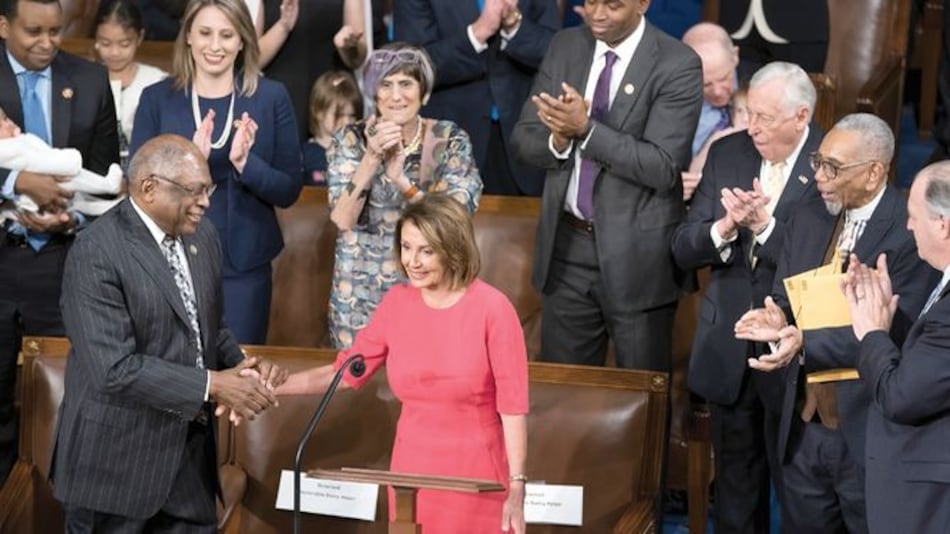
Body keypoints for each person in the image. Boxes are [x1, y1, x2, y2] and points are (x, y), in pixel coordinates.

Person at [52, 133, 286, 531]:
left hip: (190, 462)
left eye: (207, 189)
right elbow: (113, 369)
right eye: (194, 191)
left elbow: (206, 325)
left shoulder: (204, 236)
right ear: (148, 188)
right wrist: (214, 385)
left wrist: (242, 365)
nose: (206, 202)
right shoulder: (96, 251)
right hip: (114, 469)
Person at [734, 113, 937, 533]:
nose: (820, 177)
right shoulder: (810, 213)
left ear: (874, 173)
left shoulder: (910, 230)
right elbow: (786, 290)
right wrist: (778, 318)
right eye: (817, 162)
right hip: (802, 425)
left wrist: (802, 341)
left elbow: (896, 331)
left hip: (866, 429)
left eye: (834, 167)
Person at [279, 194, 528, 534]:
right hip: (412, 476)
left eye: (427, 250)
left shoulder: (493, 309)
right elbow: (346, 372)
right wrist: (271, 386)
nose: (413, 261)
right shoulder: (397, 304)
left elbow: (513, 406)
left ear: (454, 249)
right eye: (407, 247)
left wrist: (517, 486)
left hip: (477, 478)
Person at [510, 0, 703, 371]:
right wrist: (560, 141)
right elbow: (524, 139)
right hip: (567, 251)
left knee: (640, 402)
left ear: (643, 4)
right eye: (591, 1)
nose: (597, 14)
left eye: (612, 5)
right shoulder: (566, 45)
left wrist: (586, 130)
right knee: (566, 398)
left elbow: (662, 167)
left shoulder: (677, 63)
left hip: (639, 259)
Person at [670, 61, 821, 534]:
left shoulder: (827, 164)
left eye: (766, 118)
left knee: (801, 492)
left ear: (801, 117)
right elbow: (682, 245)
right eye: (749, 112)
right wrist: (725, 226)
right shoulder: (728, 152)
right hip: (729, 343)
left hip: (797, 349)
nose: (751, 127)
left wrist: (766, 229)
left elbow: (824, 261)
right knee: (735, 491)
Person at [132, 0, 303, 345]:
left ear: (242, 41)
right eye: (205, 33)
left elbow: (289, 190)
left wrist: (246, 164)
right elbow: (138, 187)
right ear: (189, 38)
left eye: (227, 35)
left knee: (238, 380)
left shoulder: (271, 97)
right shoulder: (157, 99)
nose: (215, 46)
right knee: (176, 377)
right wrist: (191, 164)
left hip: (244, 267)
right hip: (170, 261)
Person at [0, 0, 119, 486]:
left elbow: (106, 172)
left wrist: (71, 215)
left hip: (65, 266)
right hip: (3, 263)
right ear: (3, 24)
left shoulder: (89, 80)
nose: (47, 43)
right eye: (33, 32)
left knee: (67, 400)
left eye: (56, 31)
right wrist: (16, 182)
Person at [326, 43, 482, 349]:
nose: (396, 96)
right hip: (358, 293)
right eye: (386, 85)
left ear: (423, 91)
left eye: (406, 84)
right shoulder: (350, 139)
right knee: (358, 391)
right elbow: (342, 218)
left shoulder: (449, 140)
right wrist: (371, 159)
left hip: (429, 287)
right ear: (374, 93)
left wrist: (401, 181)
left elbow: (456, 219)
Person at [843, 161, 950, 534]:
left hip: (929, 503)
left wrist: (872, 333)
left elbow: (901, 396)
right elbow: (933, 364)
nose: (908, 226)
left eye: (913, 215)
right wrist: (889, 319)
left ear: (943, 224)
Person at [394, 0, 559, 197]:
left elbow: (556, 52)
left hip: (523, 138)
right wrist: (478, 33)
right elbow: (413, 66)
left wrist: (514, 26)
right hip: (449, 140)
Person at [261, 0, 368, 140]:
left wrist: (347, 46)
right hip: (283, 100)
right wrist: (283, 26)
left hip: (331, 100)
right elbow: (254, 59)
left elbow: (357, 58)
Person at [0, 106, 123, 217]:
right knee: (75, 181)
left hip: (51, 192)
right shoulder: (8, 148)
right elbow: (39, 160)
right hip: (39, 196)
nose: (9, 124)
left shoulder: (15, 142)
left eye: (5, 119)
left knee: (79, 202)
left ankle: (104, 202)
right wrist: (69, 160)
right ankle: (107, 185)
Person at [93, 0, 168, 171]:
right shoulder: (84, 79)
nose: (115, 52)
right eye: (105, 43)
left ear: (139, 37)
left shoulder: (157, 81)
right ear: (95, 38)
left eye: (124, 44)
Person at [681, 22, 741, 201]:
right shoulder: (674, 101)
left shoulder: (759, 86)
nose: (717, 91)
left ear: (735, 57)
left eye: (724, 78)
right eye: (706, 84)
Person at [303, 70, 362, 186]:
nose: (347, 122)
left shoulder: (360, 153)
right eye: (339, 115)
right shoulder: (303, 155)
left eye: (352, 115)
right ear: (318, 111)